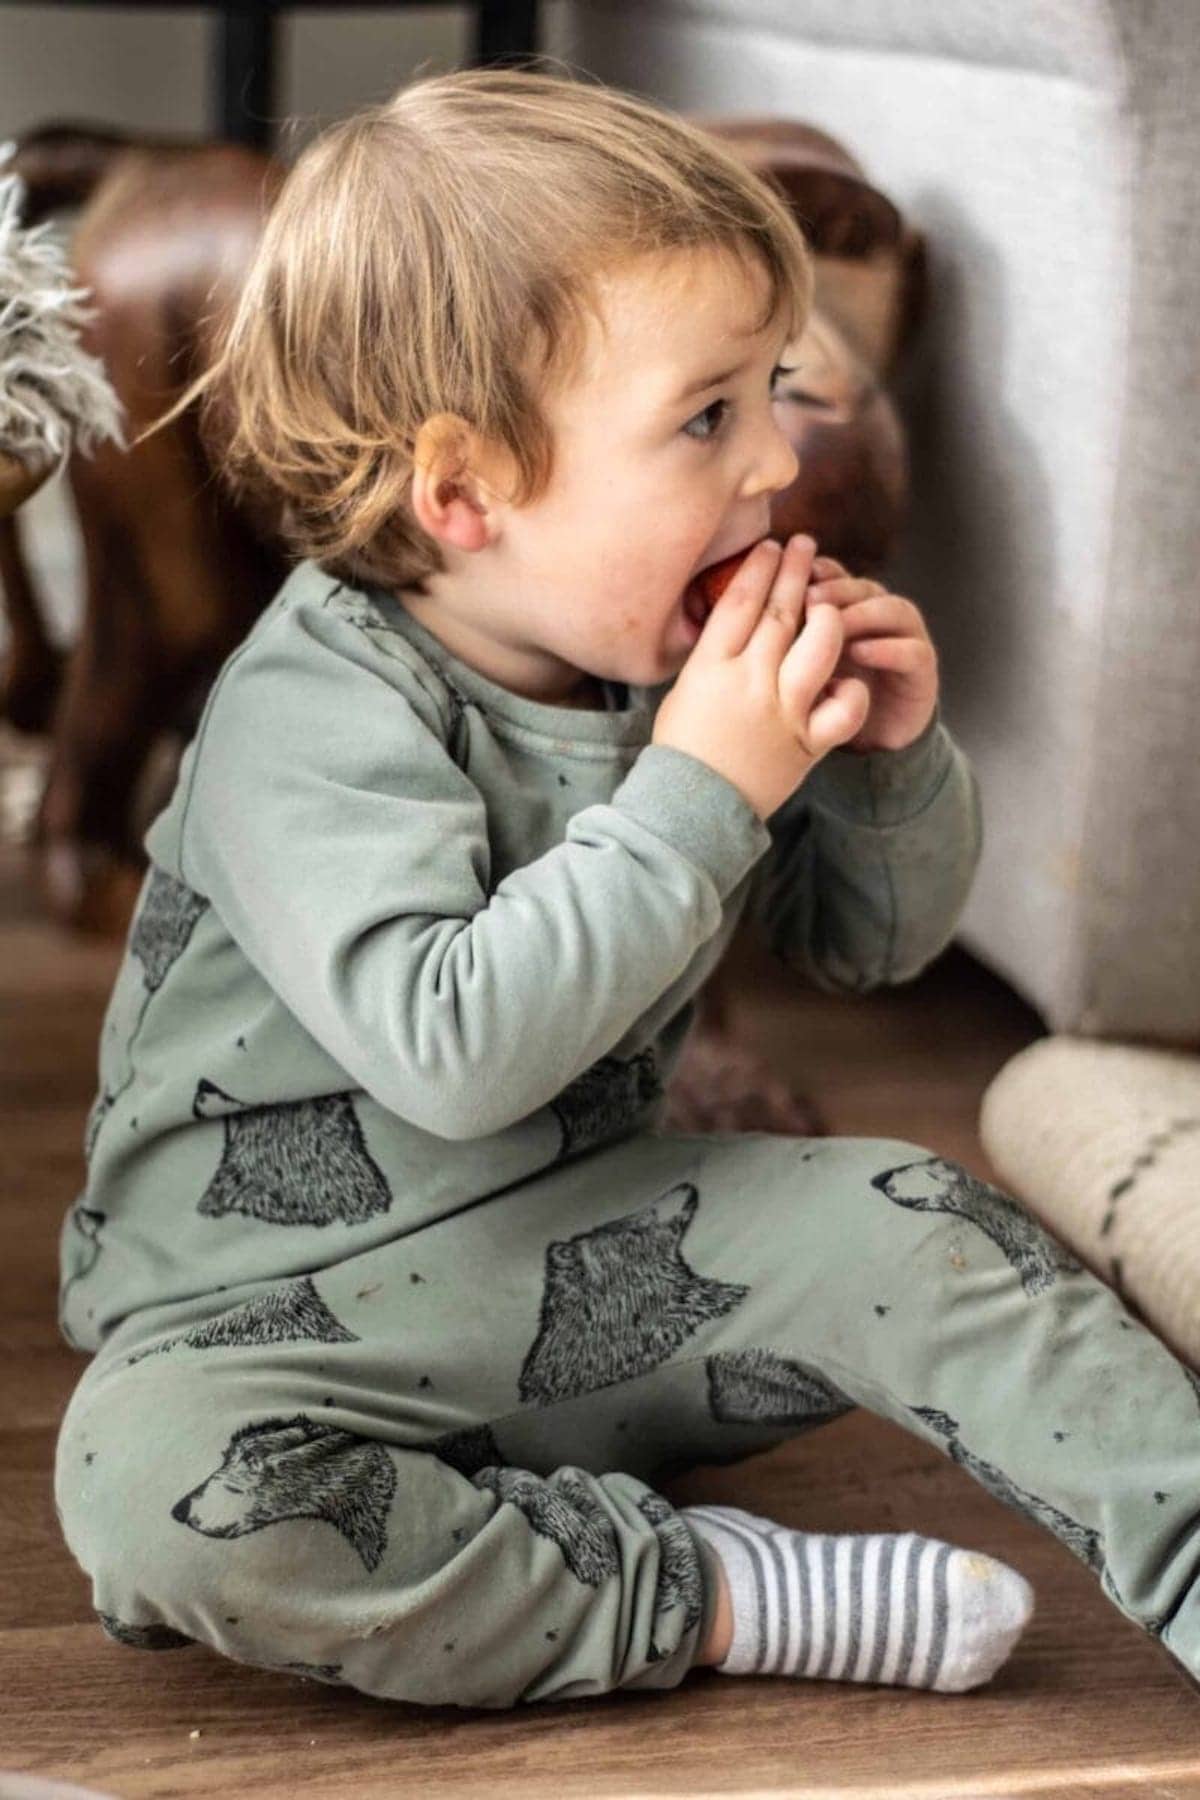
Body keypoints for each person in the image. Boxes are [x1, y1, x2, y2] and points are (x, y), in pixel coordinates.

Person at [52, 63, 1200, 1712]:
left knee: (922, 1221)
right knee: (154, 1500)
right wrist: (707, 786)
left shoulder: (649, 654)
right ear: (464, 491)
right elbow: (462, 1049)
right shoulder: (310, 711)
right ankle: (704, 1591)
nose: (769, 471)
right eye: (705, 418)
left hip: (585, 1270)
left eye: (773, 392)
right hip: (274, 1340)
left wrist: (890, 761)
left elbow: (866, 949)